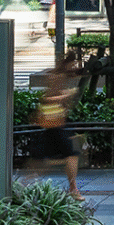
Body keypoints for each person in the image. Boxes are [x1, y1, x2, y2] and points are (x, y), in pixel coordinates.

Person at [32, 52, 84, 200]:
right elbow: (47, 98)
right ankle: (73, 189)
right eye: (73, 64)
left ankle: (27, 182)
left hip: (57, 122)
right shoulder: (57, 77)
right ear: (68, 63)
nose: (74, 67)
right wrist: (66, 95)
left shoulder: (60, 76)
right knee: (71, 154)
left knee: (47, 159)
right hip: (56, 123)